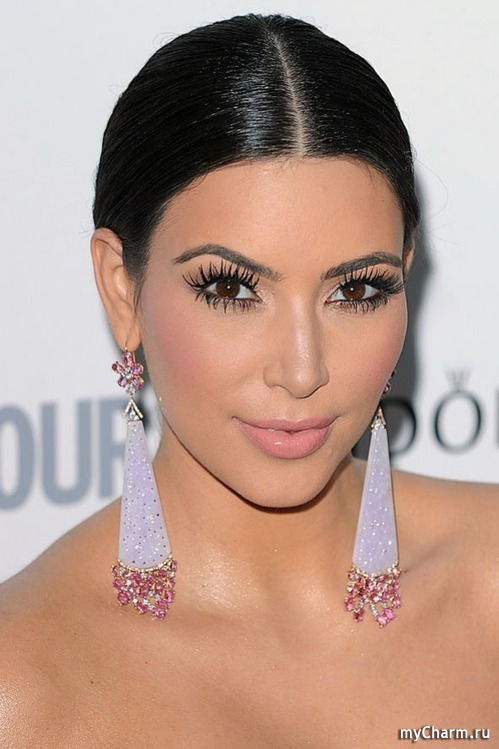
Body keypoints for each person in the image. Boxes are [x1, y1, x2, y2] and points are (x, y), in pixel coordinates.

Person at [1, 12, 498, 747]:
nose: (302, 370)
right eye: (231, 289)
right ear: (121, 288)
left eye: (356, 290)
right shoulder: (22, 687)